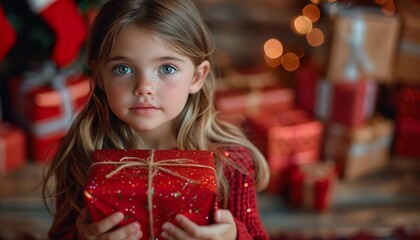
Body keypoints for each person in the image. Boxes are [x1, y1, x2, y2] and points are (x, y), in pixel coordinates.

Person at [42, 0, 270, 239]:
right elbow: (60, 233)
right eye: (123, 69)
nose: (144, 88)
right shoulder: (79, 155)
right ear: (99, 75)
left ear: (197, 77)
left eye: (167, 68)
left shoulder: (231, 160)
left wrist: (234, 236)